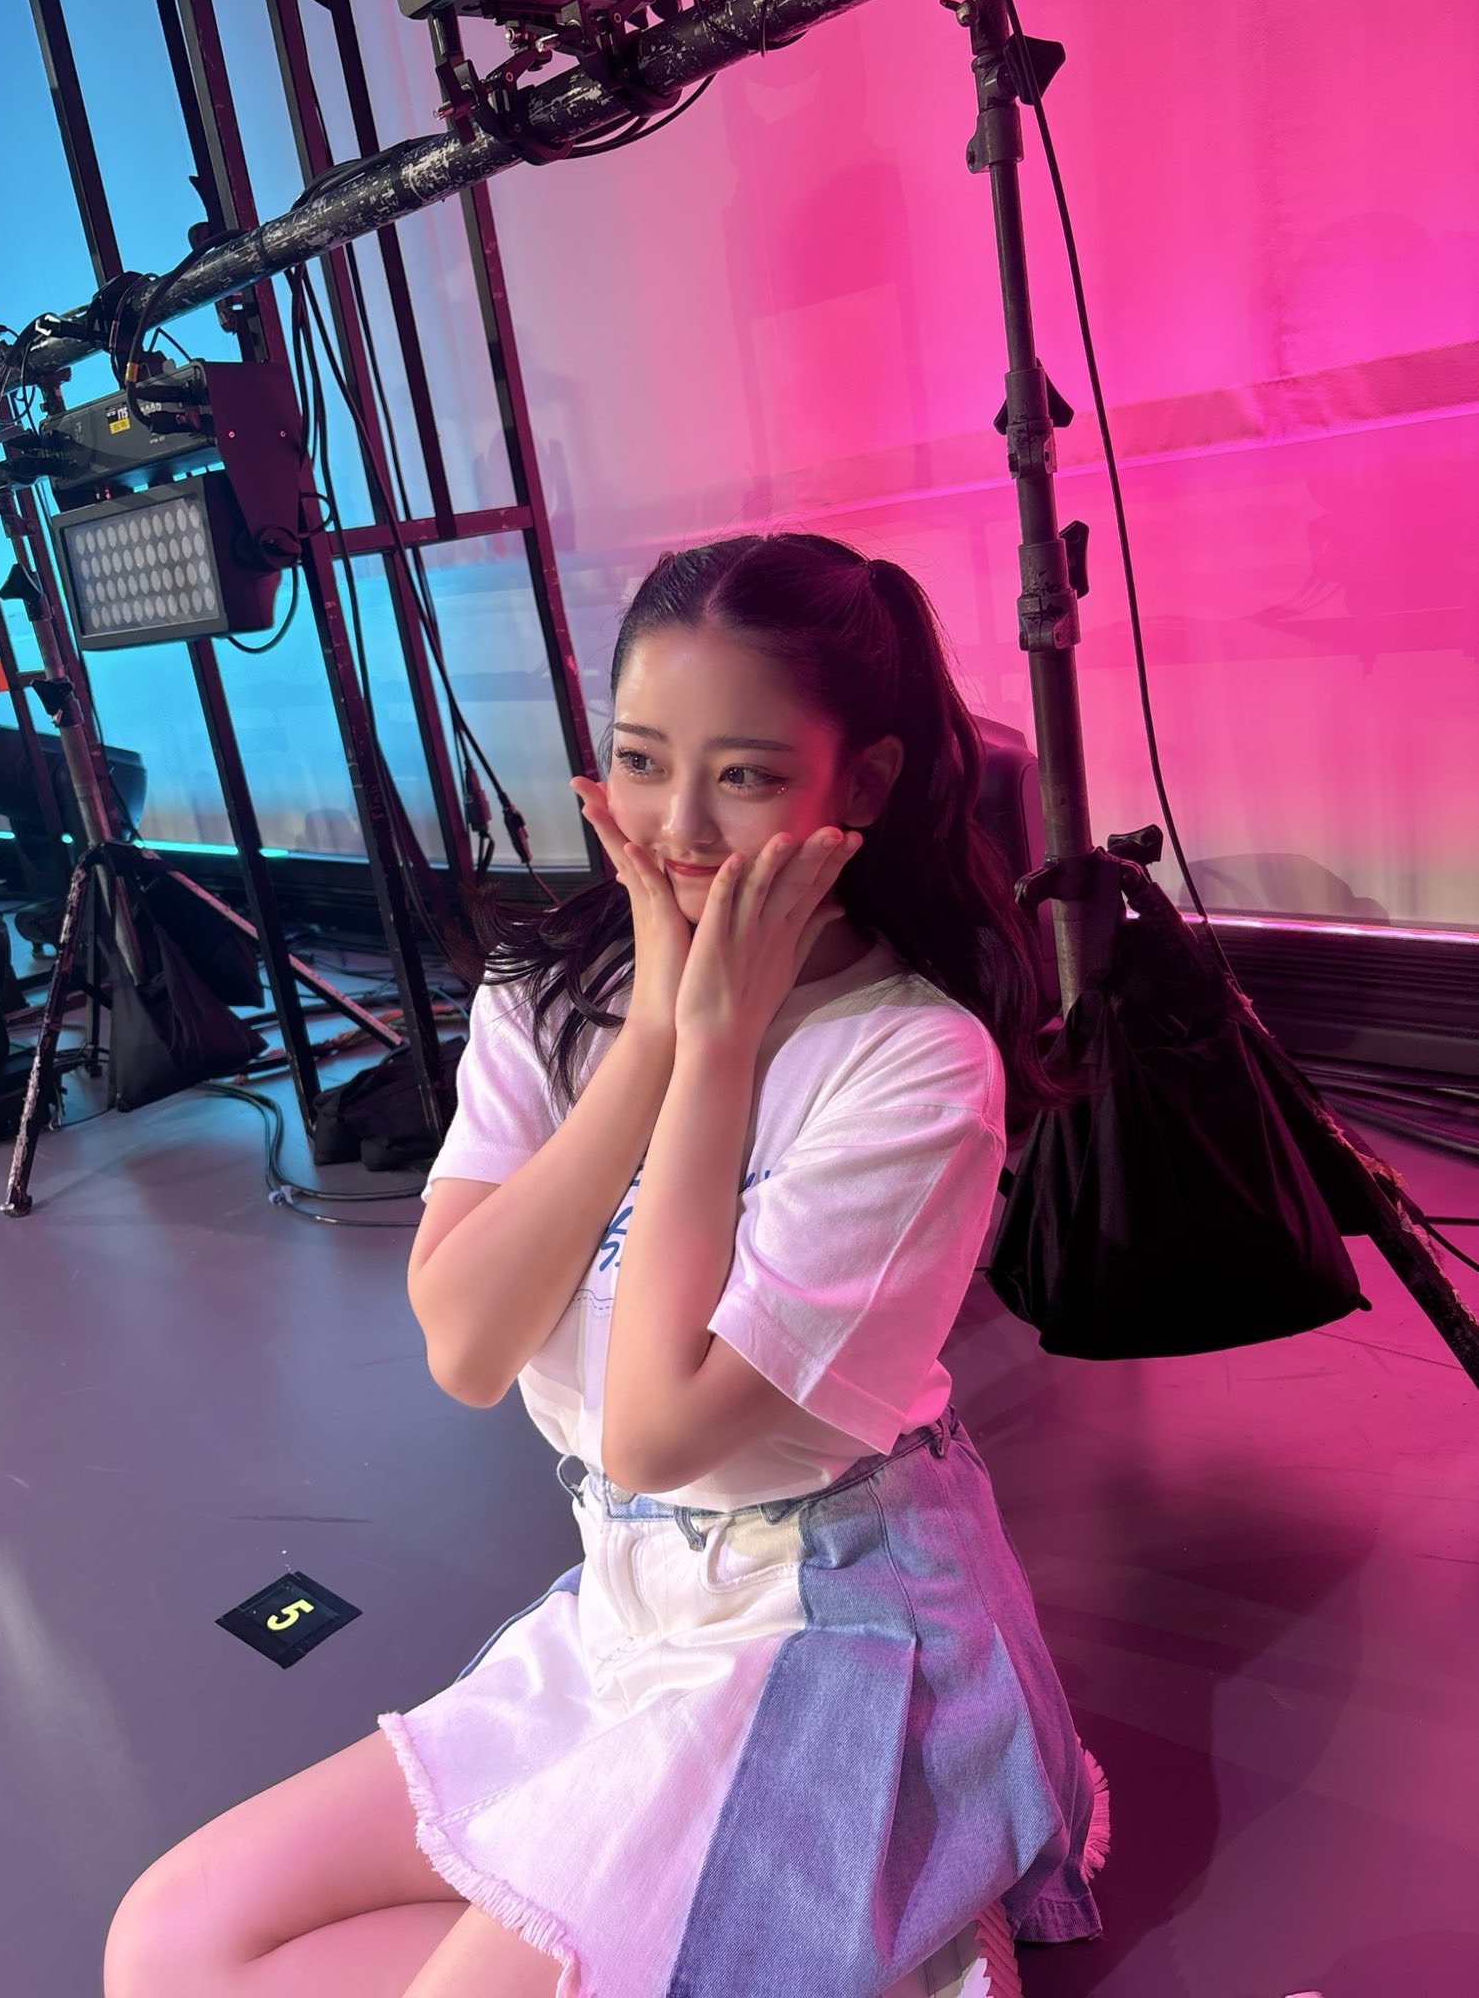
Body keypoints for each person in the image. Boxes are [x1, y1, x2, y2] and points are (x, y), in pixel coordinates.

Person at [103, 533, 1108, 1998]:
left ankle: (879, 1893)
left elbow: (652, 1427)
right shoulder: (549, 996)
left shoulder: (912, 1061)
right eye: (641, 760)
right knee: (172, 1944)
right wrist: (649, 1039)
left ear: (864, 783)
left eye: (744, 775)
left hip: (828, 1627)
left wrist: (715, 1048)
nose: (678, 825)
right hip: (634, 1611)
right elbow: (465, 1345)